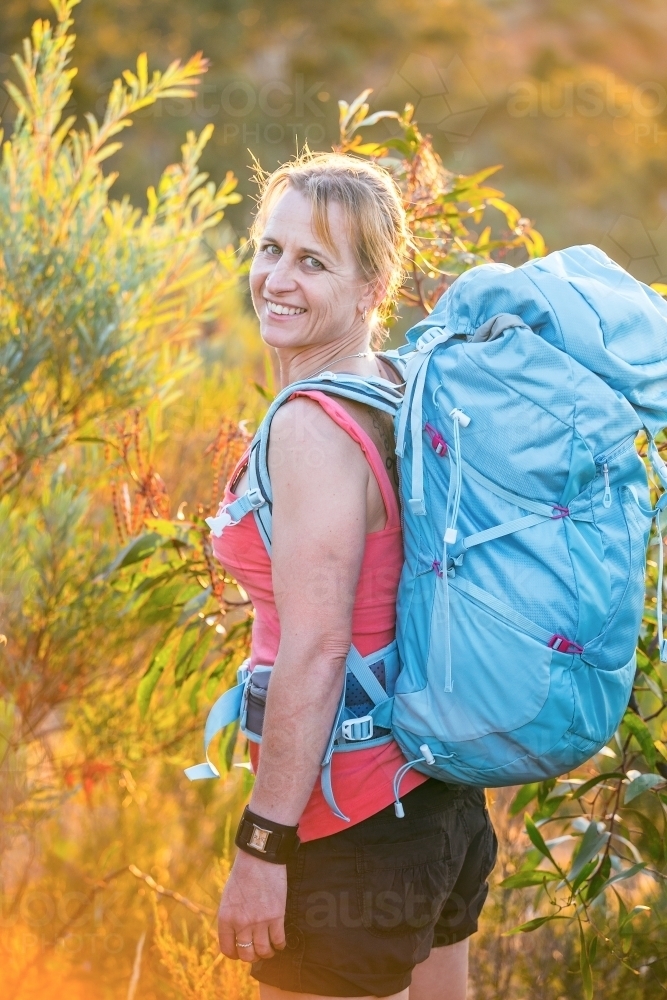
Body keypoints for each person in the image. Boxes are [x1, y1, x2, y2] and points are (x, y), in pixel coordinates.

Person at [213, 151, 498, 1000]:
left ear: (374, 287)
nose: (277, 279)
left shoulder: (311, 425)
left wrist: (264, 846)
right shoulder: (395, 386)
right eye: (270, 249)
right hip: (438, 801)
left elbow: (316, 649)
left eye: (313, 261)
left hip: (349, 820)